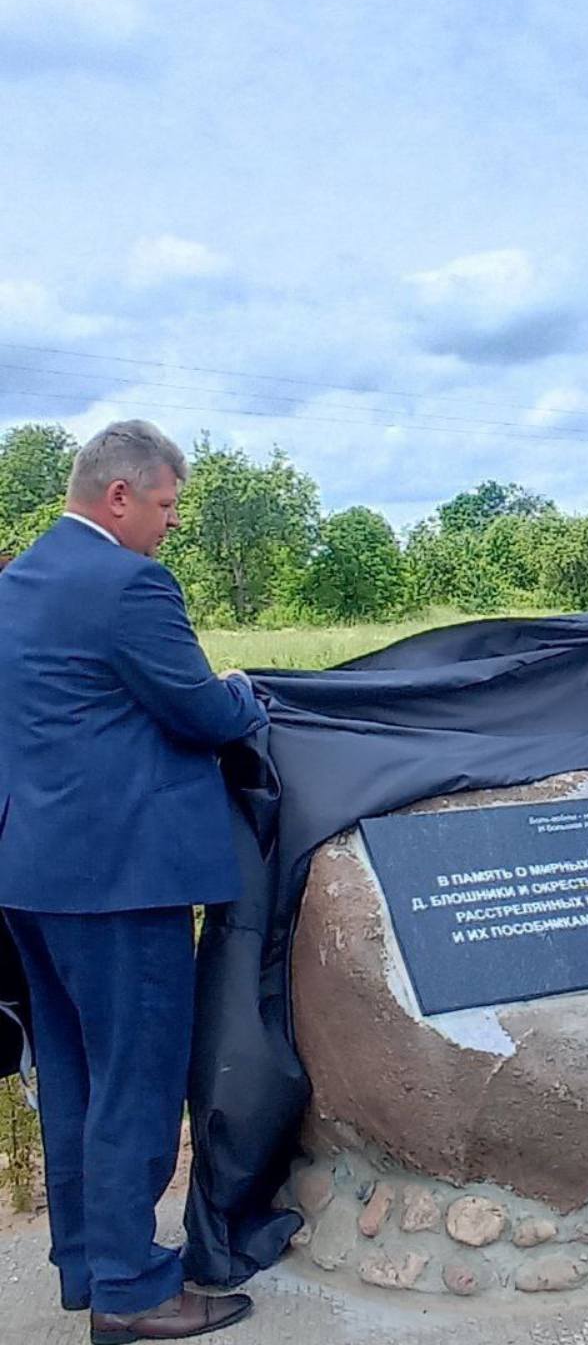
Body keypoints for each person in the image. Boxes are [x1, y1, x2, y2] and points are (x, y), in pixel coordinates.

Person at [0, 421, 267, 1342]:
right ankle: (134, 1288)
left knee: (73, 1079)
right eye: (165, 505)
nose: (170, 525)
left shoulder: (20, 578)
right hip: (122, 881)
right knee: (137, 1085)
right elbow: (199, 710)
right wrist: (243, 693)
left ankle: (86, 1264)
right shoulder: (128, 584)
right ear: (119, 495)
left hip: (33, 874)